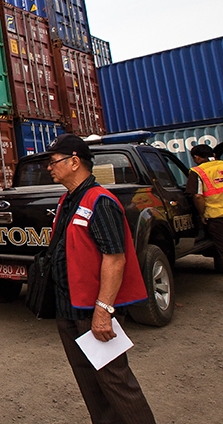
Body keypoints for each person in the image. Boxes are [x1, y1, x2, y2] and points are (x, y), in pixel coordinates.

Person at [44, 133, 155, 423]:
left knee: (116, 382)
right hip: (69, 308)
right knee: (90, 383)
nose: (49, 167)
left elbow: (115, 258)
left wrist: (103, 311)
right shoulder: (68, 200)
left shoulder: (100, 202)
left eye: (53, 161)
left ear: (74, 162)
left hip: (93, 312)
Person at [186, 144, 223, 260]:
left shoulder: (197, 172)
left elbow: (198, 196)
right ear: (213, 154)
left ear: (196, 157)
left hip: (216, 216)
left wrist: (202, 214)